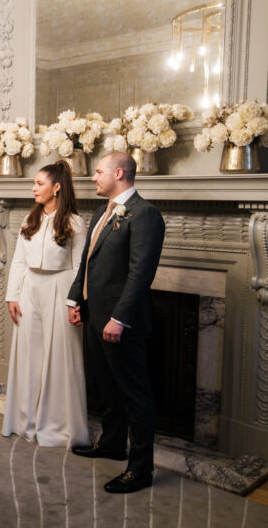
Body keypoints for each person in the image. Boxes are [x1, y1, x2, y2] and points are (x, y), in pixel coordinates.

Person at [67, 151, 165, 494]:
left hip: (122, 321)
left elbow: (141, 274)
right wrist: (76, 298)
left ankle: (141, 469)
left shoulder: (145, 214)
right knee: (105, 385)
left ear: (119, 173)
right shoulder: (101, 211)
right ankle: (111, 443)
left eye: (98, 172)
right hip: (95, 314)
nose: (94, 177)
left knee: (134, 393)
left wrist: (119, 318)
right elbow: (88, 261)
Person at [1, 160, 88, 448]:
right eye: (34, 183)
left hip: (60, 290)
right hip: (29, 291)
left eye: (39, 183)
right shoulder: (30, 220)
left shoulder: (75, 223)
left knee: (61, 358)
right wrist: (12, 295)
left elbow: (80, 268)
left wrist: (75, 302)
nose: (33, 188)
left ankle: (60, 427)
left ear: (57, 187)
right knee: (29, 356)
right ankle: (25, 421)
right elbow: (18, 261)